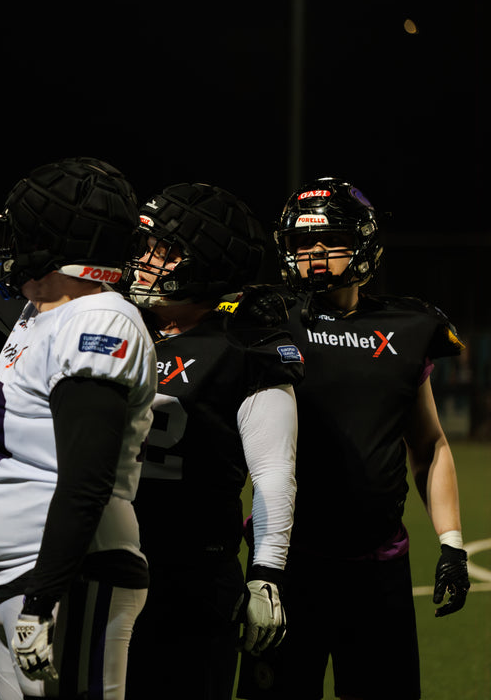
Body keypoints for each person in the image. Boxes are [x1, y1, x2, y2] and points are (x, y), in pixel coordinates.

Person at [0, 157, 157, 699]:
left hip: (70, 574)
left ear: (59, 244)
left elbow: (86, 478)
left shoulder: (97, 319)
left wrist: (43, 596)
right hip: (25, 573)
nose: (13, 246)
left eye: (25, 232)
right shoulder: (44, 313)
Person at [235, 177, 470, 700]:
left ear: (363, 241)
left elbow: (429, 444)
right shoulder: (266, 319)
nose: (314, 254)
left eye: (329, 239)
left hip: (377, 567)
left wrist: (451, 544)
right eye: (302, 242)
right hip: (287, 565)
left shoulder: (409, 325)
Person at [119, 183, 302, 698]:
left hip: (193, 574)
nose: (147, 262)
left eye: (166, 251)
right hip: (106, 556)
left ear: (207, 262)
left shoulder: (244, 343)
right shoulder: (116, 323)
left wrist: (266, 572)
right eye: (148, 247)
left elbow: (273, 471)